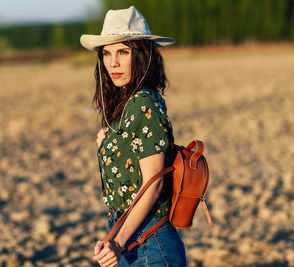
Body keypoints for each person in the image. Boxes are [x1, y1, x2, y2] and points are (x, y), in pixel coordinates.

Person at [80, 6, 186, 267]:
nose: (112, 62)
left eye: (123, 52)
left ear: (142, 56)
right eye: (107, 53)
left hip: (149, 243)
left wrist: (117, 242)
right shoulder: (127, 105)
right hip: (127, 238)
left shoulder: (144, 104)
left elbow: (154, 185)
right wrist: (107, 141)